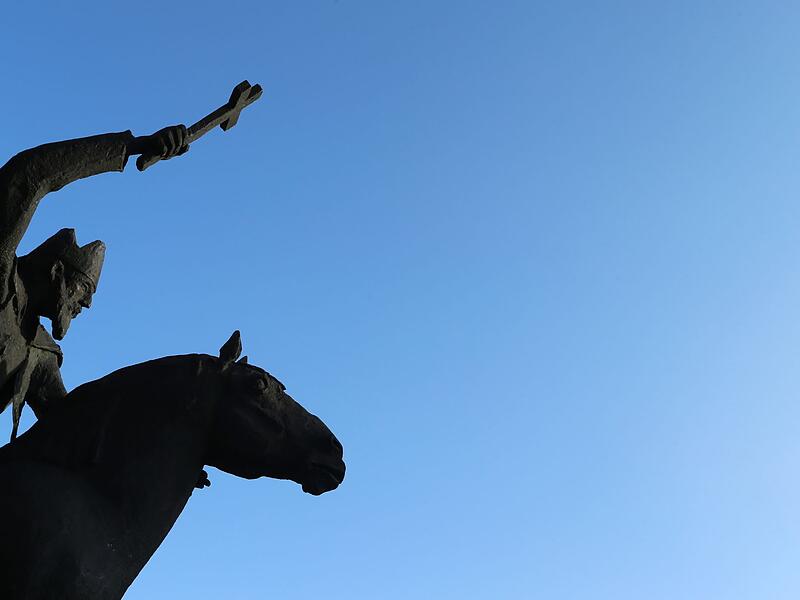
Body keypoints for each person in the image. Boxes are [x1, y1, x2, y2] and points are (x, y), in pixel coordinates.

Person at [0, 125, 189, 438]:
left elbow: (73, 427)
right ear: (56, 272)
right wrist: (130, 147)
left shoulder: (40, 353)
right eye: (83, 289)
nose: (86, 304)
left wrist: (150, 455)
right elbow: (30, 175)